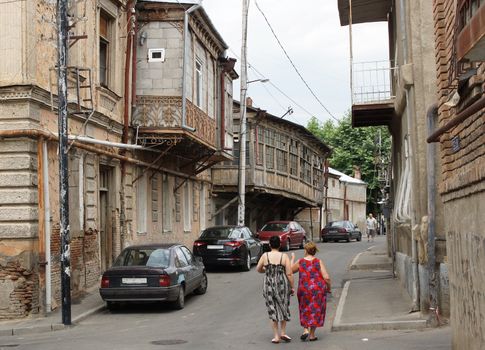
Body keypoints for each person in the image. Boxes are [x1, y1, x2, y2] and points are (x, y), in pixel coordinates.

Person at [256, 235, 295, 344]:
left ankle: (276, 336)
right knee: (283, 306)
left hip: (268, 284)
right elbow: (289, 273)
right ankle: (283, 332)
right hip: (282, 284)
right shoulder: (284, 256)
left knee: (272, 309)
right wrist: (292, 287)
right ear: (280, 244)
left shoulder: (265, 256)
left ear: (269, 245)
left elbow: (258, 269)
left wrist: (267, 270)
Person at [290, 242, 330, 342]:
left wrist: (292, 259)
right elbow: (326, 277)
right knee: (315, 310)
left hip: (304, 289)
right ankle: (312, 335)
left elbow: (289, 271)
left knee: (304, 308)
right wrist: (328, 288)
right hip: (318, 290)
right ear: (314, 251)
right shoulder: (318, 261)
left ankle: (305, 329)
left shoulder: (301, 262)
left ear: (305, 251)